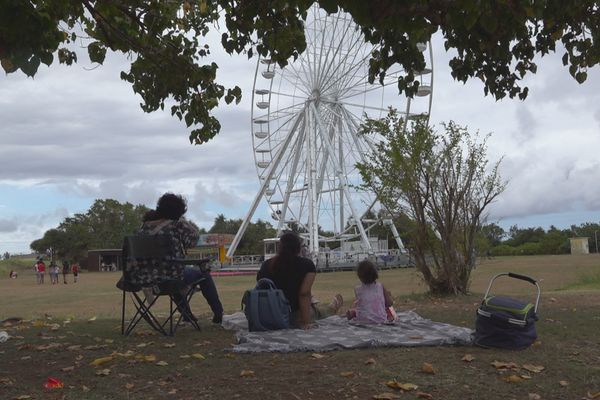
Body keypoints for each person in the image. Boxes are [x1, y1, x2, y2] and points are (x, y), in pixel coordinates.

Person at [138, 194, 224, 324]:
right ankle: (218, 312)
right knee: (201, 274)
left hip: (146, 280)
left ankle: (187, 315)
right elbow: (193, 241)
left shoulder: (144, 228)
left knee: (172, 273)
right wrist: (183, 221)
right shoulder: (177, 225)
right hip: (170, 277)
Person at [257, 232, 343, 329]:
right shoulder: (307, 265)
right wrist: (306, 322)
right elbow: (304, 294)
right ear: (299, 247)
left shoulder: (266, 265)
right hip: (294, 315)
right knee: (317, 313)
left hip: (269, 314)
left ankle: (329, 308)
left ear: (279, 246)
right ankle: (331, 308)